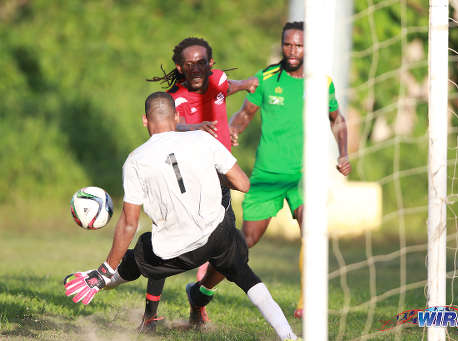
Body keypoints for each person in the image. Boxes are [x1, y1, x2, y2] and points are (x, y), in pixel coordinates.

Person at [64, 92, 299, 341]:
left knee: (141, 252)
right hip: (218, 234)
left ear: (145, 120)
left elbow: (129, 223)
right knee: (243, 272)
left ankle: (100, 278)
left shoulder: (135, 161)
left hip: (177, 250)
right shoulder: (202, 139)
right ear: (176, 116)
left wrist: (106, 267)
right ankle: (289, 336)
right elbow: (243, 183)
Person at [198, 21, 352, 319]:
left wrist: (343, 153)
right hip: (268, 175)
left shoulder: (322, 82)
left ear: (309, 48)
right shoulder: (267, 78)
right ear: (282, 44)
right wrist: (232, 133)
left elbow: (338, 118)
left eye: (299, 45)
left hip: (304, 176)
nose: (292, 51)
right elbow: (244, 114)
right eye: (288, 44)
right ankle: (202, 291)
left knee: (312, 230)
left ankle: (307, 303)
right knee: (245, 242)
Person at [142, 37, 259, 329]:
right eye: (190, 64)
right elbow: (165, 124)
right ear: (180, 68)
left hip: (218, 180)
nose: (196, 68)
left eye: (202, 62)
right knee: (166, 242)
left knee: (229, 247)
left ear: (211, 65)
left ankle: (199, 296)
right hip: (184, 178)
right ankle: (150, 316)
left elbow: (225, 88)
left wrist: (246, 84)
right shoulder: (174, 97)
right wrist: (195, 127)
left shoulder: (218, 80)